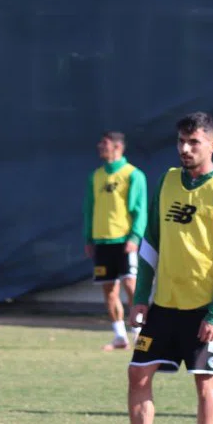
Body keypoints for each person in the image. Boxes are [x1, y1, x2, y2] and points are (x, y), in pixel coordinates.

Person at [100, 112, 213, 424]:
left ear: (212, 145)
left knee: (205, 384)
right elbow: (151, 243)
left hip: (203, 307)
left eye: (194, 142)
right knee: (138, 373)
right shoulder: (166, 181)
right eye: (181, 141)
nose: (185, 148)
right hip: (163, 305)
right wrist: (141, 298)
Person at [84, 131, 147, 351]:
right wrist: (89, 238)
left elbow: (140, 210)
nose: (100, 147)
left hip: (124, 240)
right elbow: (89, 209)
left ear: (118, 147)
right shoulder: (96, 176)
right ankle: (120, 337)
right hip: (102, 242)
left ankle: (140, 334)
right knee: (109, 290)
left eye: (105, 143)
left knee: (131, 286)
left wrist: (135, 236)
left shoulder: (133, 175)